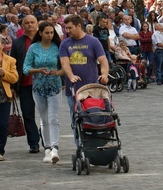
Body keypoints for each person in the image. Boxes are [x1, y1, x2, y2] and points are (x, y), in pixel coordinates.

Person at [58, 15, 109, 143]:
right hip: (73, 90)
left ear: (79, 26)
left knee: (95, 115)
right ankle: (80, 145)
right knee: (76, 117)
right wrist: (71, 76)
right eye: (66, 28)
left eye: (70, 28)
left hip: (92, 88)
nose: (67, 31)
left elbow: (103, 60)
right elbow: (65, 63)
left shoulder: (93, 41)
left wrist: (104, 74)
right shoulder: (65, 44)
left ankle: (97, 141)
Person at [22, 21, 63, 165]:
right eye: (47, 32)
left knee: (53, 117)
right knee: (44, 118)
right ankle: (46, 148)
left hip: (54, 85)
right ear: (40, 33)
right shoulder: (33, 48)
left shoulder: (57, 47)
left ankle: (55, 148)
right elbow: (26, 68)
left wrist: (57, 72)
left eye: (52, 32)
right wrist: (37, 70)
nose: (50, 35)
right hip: (38, 86)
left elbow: (65, 66)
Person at [9, 15, 41, 154]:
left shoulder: (44, 40)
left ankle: (49, 141)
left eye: (32, 22)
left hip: (44, 84)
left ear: (37, 24)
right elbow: (13, 65)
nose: (30, 25)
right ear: (22, 26)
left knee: (47, 116)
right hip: (25, 84)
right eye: (26, 23)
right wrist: (13, 86)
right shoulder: (18, 43)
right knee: (28, 115)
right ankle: (33, 143)